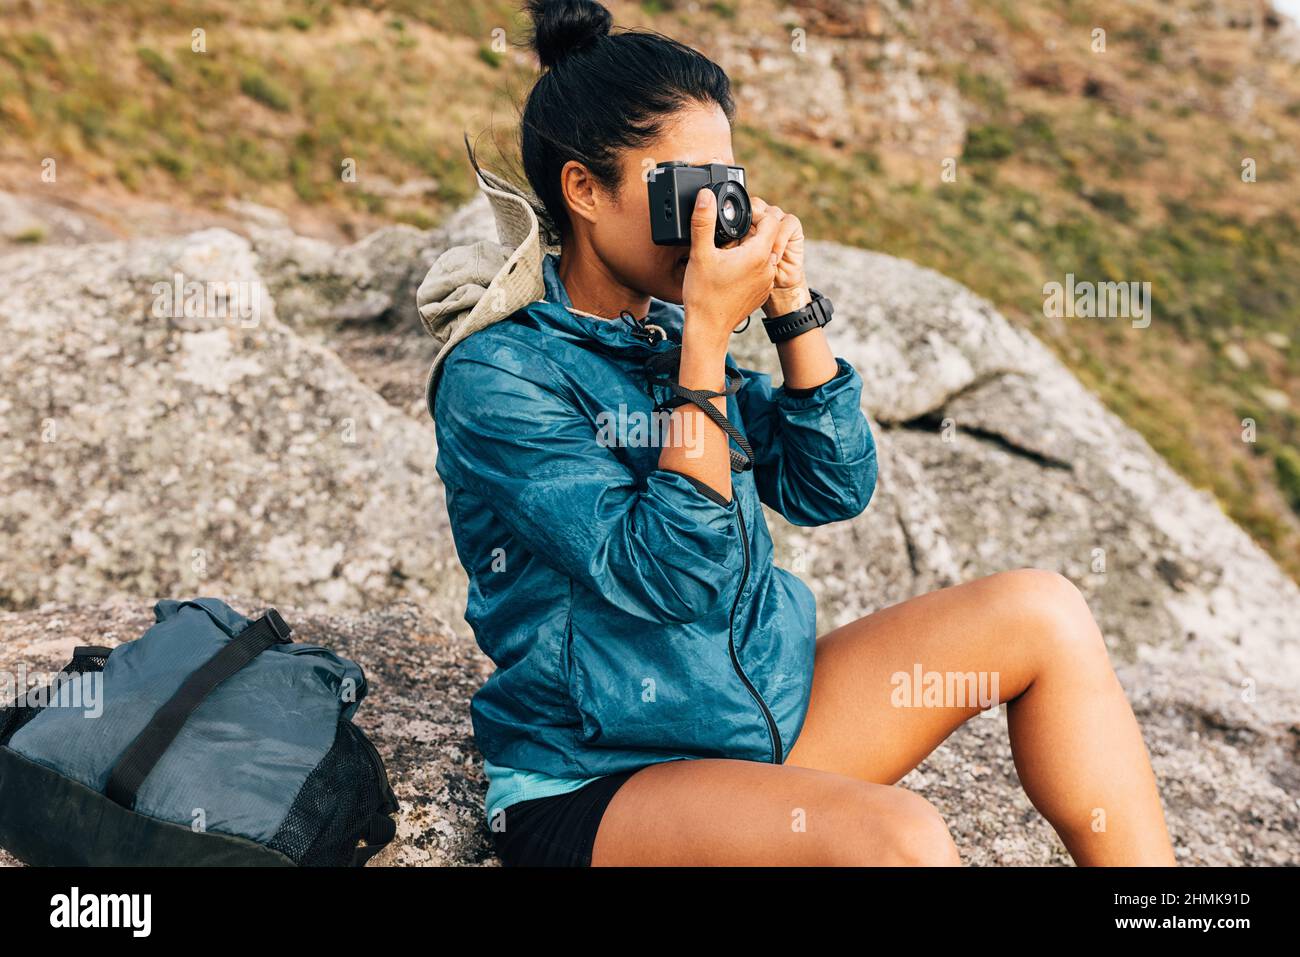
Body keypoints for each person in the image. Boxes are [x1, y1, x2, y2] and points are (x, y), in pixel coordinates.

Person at [424, 0, 1177, 866]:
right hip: (602, 780)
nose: (715, 216)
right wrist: (706, 340)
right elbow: (673, 578)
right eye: (684, 189)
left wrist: (790, 309)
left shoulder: (659, 336)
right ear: (584, 191)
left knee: (1042, 611)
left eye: (726, 185)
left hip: (756, 719)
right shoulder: (501, 376)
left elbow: (831, 487)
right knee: (902, 839)